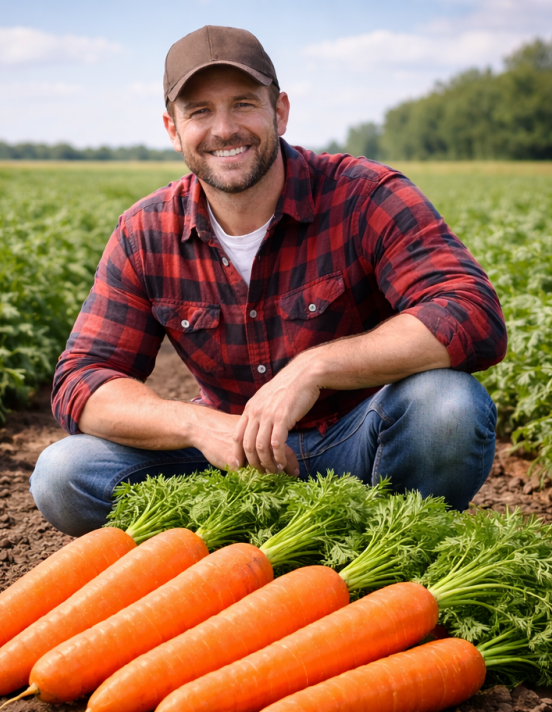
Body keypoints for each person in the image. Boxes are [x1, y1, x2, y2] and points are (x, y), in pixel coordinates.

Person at [31, 25, 507, 537]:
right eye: (199, 112)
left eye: (243, 104)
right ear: (172, 129)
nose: (224, 129)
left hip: (360, 450)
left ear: (279, 111)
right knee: (65, 474)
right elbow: (83, 378)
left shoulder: (364, 195)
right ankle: (270, 543)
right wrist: (195, 424)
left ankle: (383, 543)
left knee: (448, 410)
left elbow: (468, 311)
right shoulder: (146, 232)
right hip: (225, 463)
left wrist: (315, 368)